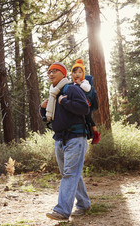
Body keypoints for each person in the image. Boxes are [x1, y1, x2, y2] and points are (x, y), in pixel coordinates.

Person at [40, 62, 91, 220]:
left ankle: (62, 210)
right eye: (49, 72)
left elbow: (84, 108)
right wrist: (42, 108)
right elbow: (49, 118)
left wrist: (65, 102)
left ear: (63, 74)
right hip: (60, 139)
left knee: (69, 173)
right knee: (70, 173)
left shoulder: (72, 89)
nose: (51, 74)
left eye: (55, 71)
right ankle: (83, 203)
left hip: (76, 137)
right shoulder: (54, 94)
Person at [71, 59, 100, 144]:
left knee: (88, 118)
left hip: (87, 104)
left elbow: (88, 88)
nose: (77, 74)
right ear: (72, 74)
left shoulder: (85, 81)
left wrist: (80, 83)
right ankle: (88, 134)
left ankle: (96, 134)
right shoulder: (73, 84)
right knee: (83, 120)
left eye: (80, 72)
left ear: (83, 74)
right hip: (78, 105)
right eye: (75, 72)